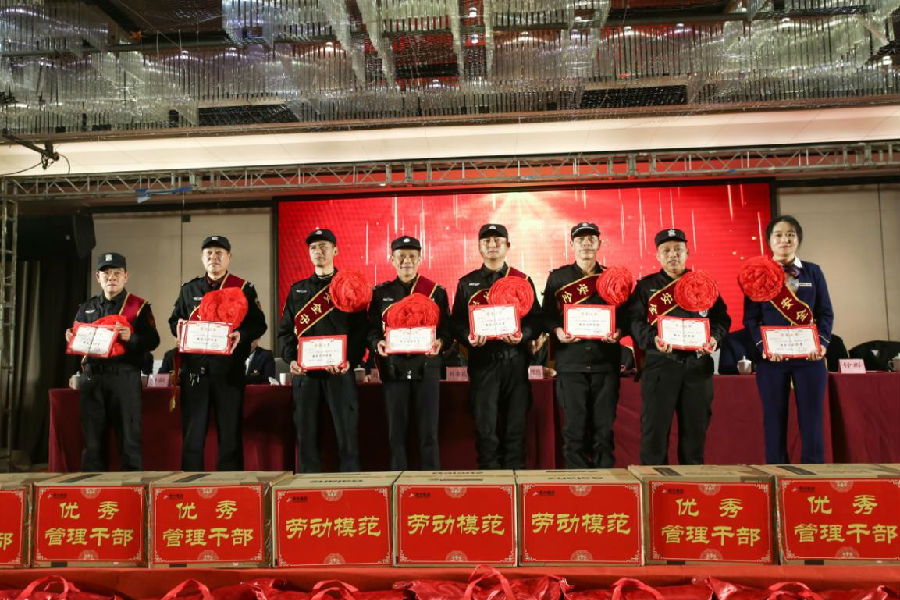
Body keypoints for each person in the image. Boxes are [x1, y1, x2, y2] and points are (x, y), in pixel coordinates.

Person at [628, 228, 731, 465]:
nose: (673, 255)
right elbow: (633, 321)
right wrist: (652, 338)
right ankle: (654, 484)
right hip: (660, 366)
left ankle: (691, 484)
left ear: (687, 252)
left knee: (695, 434)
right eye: (666, 250)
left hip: (697, 367)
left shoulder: (704, 284)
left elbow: (721, 320)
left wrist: (714, 338)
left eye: (678, 249)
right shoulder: (645, 286)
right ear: (657, 255)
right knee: (654, 434)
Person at [168, 235, 267, 471]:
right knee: (192, 436)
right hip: (195, 373)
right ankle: (190, 485)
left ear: (229, 257)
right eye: (209, 253)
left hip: (228, 372)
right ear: (202, 258)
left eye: (219, 253)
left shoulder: (243, 288)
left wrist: (241, 334)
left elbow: (259, 324)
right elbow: (174, 320)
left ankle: (229, 485)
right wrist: (178, 327)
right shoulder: (188, 289)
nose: (214, 257)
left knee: (230, 435)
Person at [743, 215, 833, 464]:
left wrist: (822, 344)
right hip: (772, 360)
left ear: (798, 240)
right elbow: (751, 319)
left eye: (790, 235)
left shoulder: (813, 272)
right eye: (779, 235)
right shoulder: (757, 275)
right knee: (773, 421)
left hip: (810, 358)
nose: (785, 239)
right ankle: (778, 474)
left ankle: (814, 476)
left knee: (812, 421)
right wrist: (763, 347)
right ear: (769, 241)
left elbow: (825, 312)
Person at [450, 223, 541, 469]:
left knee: (515, 432)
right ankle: (491, 485)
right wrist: (468, 336)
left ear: (508, 246)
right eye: (486, 241)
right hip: (483, 364)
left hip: (515, 362)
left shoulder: (522, 280)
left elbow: (537, 320)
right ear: (479, 247)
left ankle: (516, 483)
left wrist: (523, 335)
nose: (492, 245)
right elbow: (455, 322)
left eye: (498, 240)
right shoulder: (467, 283)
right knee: (486, 432)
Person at [277, 228, 366, 472]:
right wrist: (291, 359)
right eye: (313, 247)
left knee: (348, 440)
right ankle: (307, 491)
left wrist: (350, 360)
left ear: (335, 250)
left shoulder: (350, 287)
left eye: (324, 246)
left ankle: (352, 489)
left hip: (340, 374)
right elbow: (285, 332)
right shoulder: (297, 290)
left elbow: (361, 331)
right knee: (306, 441)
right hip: (306, 377)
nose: (318, 251)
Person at [542, 222, 627, 468]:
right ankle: (577, 483)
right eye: (580, 240)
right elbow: (545, 316)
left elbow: (628, 316)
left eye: (591, 239)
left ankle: (605, 483)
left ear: (600, 243)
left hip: (605, 363)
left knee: (603, 431)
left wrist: (620, 331)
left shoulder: (613, 278)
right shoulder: (557, 278)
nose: (586, 244)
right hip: (571, 364)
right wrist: (557, 330)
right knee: (573, 431)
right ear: (572, 244)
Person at [66, 252, 159, 470]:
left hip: (124, 378)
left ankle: (131, 490)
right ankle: (93, 489)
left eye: (117, 273)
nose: (112, 277)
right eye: (106, 273)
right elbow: (77, 341)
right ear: (98, 277)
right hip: (92, 379)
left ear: (126, 276)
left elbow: (153, 340)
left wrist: (131, 337)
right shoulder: (86, 308)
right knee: (92, 445)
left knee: (129, 443)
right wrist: (71, 338)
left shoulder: (138, 306)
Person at [367, 236, 452, 470]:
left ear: (420, 258)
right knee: (396, 436)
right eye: (401, 256)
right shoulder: (380, 293)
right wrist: (376, 343)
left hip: (427, 369)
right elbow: (371, 329)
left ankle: (431, 484)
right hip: (394, 369)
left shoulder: (436, 292)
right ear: (392, 259)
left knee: (429, 435)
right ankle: (399, 485)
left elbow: (447, 329)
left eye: (412, 256)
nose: (407, 260)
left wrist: (441, 342)